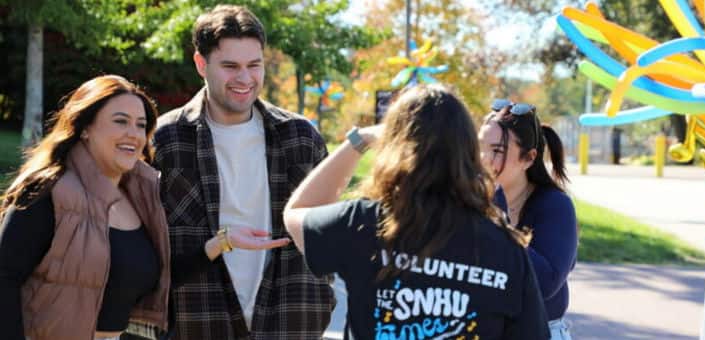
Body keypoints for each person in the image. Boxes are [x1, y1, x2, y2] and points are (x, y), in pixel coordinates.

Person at [282, 84, 550, 339]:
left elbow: (296, 213)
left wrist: (359, 140)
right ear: (470, 151)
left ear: (394, 146)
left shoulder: (363, 222)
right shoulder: (506, 248)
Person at [151, 5, 333, 339]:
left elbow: (327, 227)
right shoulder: (165, 140)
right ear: (201, 64)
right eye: (230, 66)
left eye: (254, 65)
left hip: (289, 321)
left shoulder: (301, 138)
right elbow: (147, 244)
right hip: (197, 322)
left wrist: (322, 298)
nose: (245, 79)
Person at [0, 75, 169, 340]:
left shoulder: (141, 196)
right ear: (85, 128)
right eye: (120, 121)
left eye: (141, 125)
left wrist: (218, 245)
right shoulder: (46, 190)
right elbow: (4, 278)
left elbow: (135, 272)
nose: (134, 134)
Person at [478, 99, 578, 339]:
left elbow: (544, 283)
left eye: (497, 151)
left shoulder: (555, 205)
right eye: (479, 147)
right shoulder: (468, 201)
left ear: (529, 158)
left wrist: (496, 222)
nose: (483, 159)